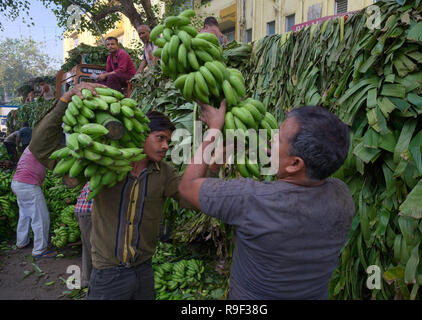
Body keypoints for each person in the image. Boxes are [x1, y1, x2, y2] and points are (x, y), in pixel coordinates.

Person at [27, 82, 219, 300]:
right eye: (160, 138)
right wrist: (66, 99)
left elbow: (190, 197)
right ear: (142, 134)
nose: (166, 146)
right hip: (108, 273)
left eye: (169, 140)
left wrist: (212, 167)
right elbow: (40, 147)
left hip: (144, 271)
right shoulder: (105, 163)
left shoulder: (164, 173)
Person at [178, 101, 355, 300]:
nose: (271, 140)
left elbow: (187, 187)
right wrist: (282, 160)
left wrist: (214, 130)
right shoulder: (343, 195)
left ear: (296, 163)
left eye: (279, 139)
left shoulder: (249, 200)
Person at [11, 146, 57, 258]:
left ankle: (21, 242)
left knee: (25, 214)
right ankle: (39, 250)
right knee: (41, 218)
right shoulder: (41, 148)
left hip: (17, 183)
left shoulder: (33, 147)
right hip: (28, 185)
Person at [74, 182, 94, 289]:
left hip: (82, 211)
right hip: (88, 212)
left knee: (87, 246)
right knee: (93, 248)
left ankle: (87, 279)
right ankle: (91, 281)